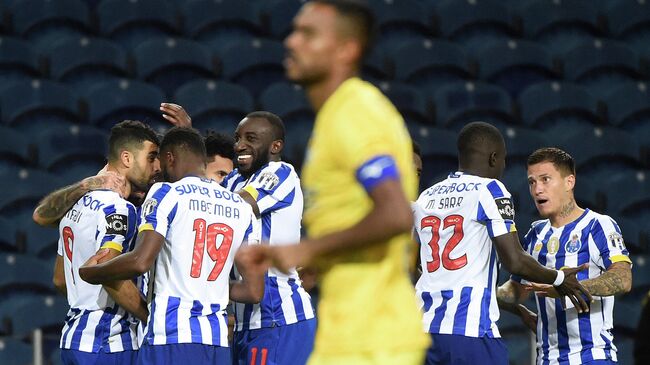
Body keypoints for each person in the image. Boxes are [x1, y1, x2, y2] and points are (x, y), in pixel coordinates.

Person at [240, 1, 430, 364]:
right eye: (295, 30)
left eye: (309, 34)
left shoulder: (354, 111)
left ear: (347, 49)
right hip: (345, 332)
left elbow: (394, 214)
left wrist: (305, 250)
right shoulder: (335, 117)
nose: (292, 41)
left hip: (372, 340)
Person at [78, 127, 266, 365]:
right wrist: (208, 286)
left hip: (170, 337)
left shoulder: (167, 192)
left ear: (169, 158)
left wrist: (92, 273)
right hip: (217, 341)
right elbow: (254, 291)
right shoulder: (242, 207)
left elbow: (140, 261)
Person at [412, 122, 592, 365]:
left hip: (422, 332)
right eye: (504, 159)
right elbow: (514, 260)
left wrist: (517, 310)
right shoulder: (490, 189)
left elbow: (414, 266)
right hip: (471, 333)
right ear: (494, 157)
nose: (504, 166)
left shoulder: (427, 196)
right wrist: (559, 279)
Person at [497, 147, 632, 365]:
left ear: (569, 182)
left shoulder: (598, 225)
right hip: (547, 359)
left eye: (545, 179)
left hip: (592, 357)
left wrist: (568, 287)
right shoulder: (536, 234)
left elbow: (624, 279)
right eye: (532, 182)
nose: (537, 189)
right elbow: (517, 289)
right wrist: (484, 293)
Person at [46, 120, 160, 364]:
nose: (156, 167)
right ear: (127, 158)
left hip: (74, 337)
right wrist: (149, 317)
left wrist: (87, 299)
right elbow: (109, 273)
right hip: (108, 341)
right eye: (151, 158)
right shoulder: (119, 208)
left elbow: (60, 278)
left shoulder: (75, 204)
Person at [222, 111, 316, 365]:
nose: (239, 145)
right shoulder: (233, 181)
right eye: (237, 137)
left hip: (277, 319)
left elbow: (237, 207)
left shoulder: (280, 172)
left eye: (250, 138)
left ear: (275, 146)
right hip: (247, 322)